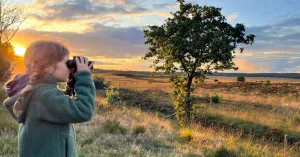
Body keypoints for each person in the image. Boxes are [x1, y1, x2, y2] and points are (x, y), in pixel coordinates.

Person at [2, 40, 96, 157]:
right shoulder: (44, 95)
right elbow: (84, 110)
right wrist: (84, 76)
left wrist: (73, 81)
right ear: (49, 67)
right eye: (67, 63)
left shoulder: (36, 92)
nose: (69, 67)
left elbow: (64, 103)